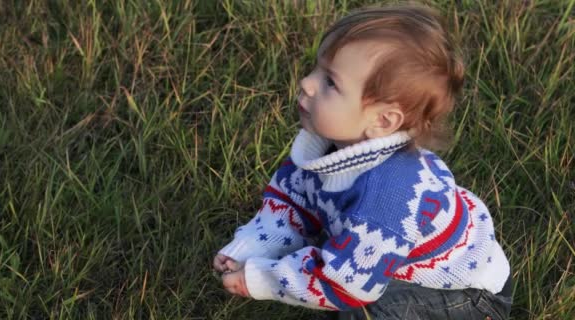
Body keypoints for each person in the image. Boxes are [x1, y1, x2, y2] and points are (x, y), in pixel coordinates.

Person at [213, 4, 512, 319]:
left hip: (468, 298)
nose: (306, 83)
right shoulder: (329, 148)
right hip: (390, 260)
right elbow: (293, 201)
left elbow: (347, 285)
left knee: (362, 310)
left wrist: (262, 278)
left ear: (383, 121)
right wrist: (249, 249)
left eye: (331, 82)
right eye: (317, 68)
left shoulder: (386, 198)